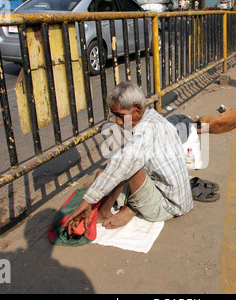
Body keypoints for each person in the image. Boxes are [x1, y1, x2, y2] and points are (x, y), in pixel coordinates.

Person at [64, 81, 193, 234]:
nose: (118, 122)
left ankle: (106, 213)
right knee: (103, 175)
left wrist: (88, 200)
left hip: (169, 206)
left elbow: (126, 163)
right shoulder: (153, 117)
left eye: (120, 116)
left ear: (137, 107)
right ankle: (130, 208)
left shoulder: (146, 129)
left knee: (126, 167)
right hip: (174, 194)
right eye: (115, 116)